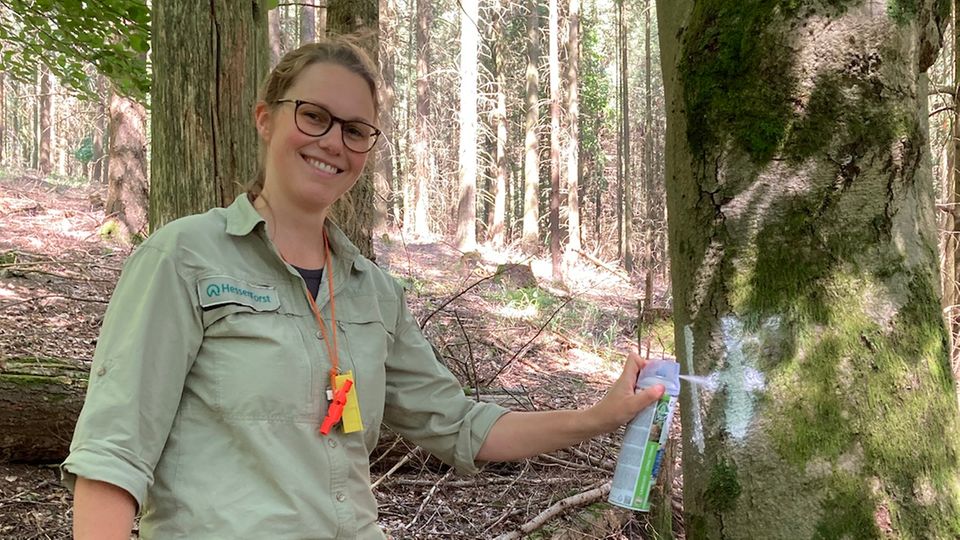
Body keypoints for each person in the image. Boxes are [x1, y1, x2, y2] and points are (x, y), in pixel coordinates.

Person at [62, 36, 665, 540]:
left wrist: (598, 417)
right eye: (314, 116)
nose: (333, 142)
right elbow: (112, 459)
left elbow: (460, 426)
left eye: (356, 130)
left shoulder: (373, 293)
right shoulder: (184, 258)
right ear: (265, 117)